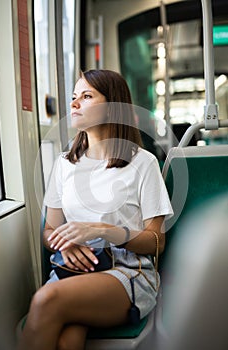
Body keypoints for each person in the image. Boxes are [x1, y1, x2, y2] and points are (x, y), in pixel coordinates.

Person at [18, 69, 173, 350]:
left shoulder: (143, 163)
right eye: (74, 97)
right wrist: (64, 246)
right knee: (67, 341)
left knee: (44, 300)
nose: (74, 104)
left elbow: (156, 241)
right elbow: (50, 230)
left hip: (127, 270)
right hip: (74, 270)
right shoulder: (64, 164)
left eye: (87, 96)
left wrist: (103, 230)